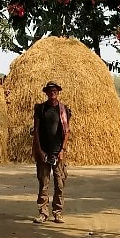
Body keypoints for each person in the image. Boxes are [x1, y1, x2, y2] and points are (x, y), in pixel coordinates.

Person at [32, 80, 72, 224]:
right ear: (46, 93)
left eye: (55, 90)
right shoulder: (40, 109)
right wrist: (39, 150)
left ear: (58, 92)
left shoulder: (63, 109)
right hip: (43, 152)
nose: (52, 92)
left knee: (59, 183)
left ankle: (58, 212)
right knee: (44, 183)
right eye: (50, 90)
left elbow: (66, 132)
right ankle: (43, 213)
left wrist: (62, 150)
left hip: (58, 152)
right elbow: (36, 130)